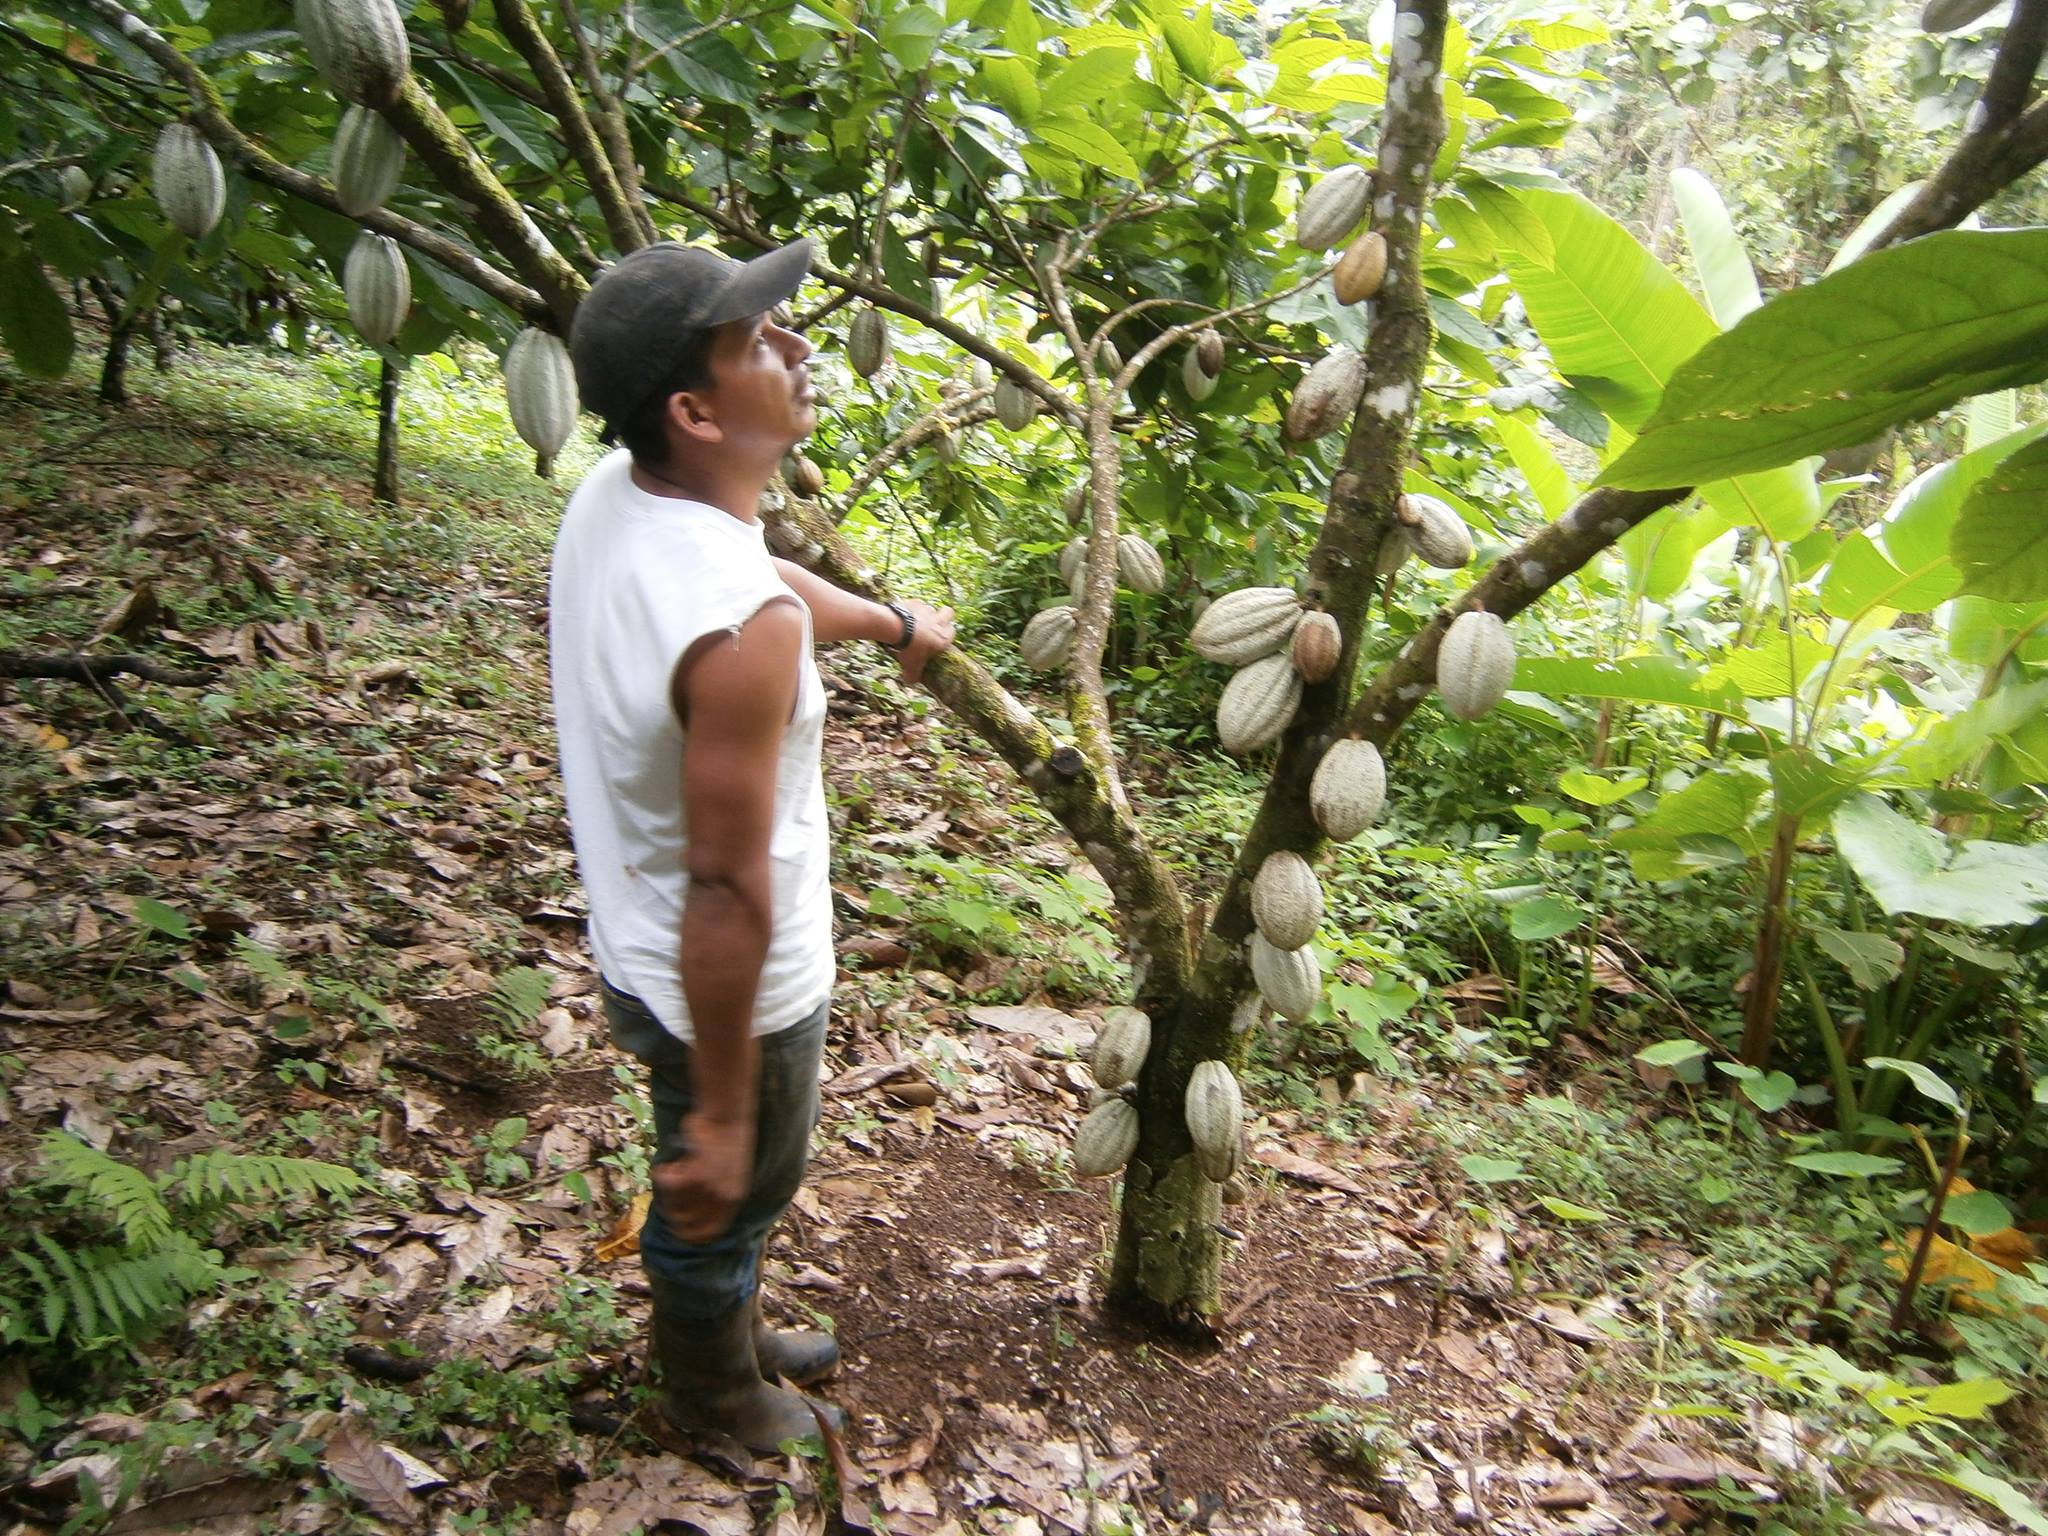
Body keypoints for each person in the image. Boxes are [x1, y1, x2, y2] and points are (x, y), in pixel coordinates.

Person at [550, 237, 955, 1450]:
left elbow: (753, 568)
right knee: (728, 1182)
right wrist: (726, 1110)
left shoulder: (625, 494)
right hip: (731, 984)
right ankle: (712, 1395)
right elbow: (726, 887)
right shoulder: (745, 636)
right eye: (758, 341)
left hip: (639, 944)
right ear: (694, 408)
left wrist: (888, 622)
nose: (796, 345)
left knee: (723, 1189)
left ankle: (722, 1325)